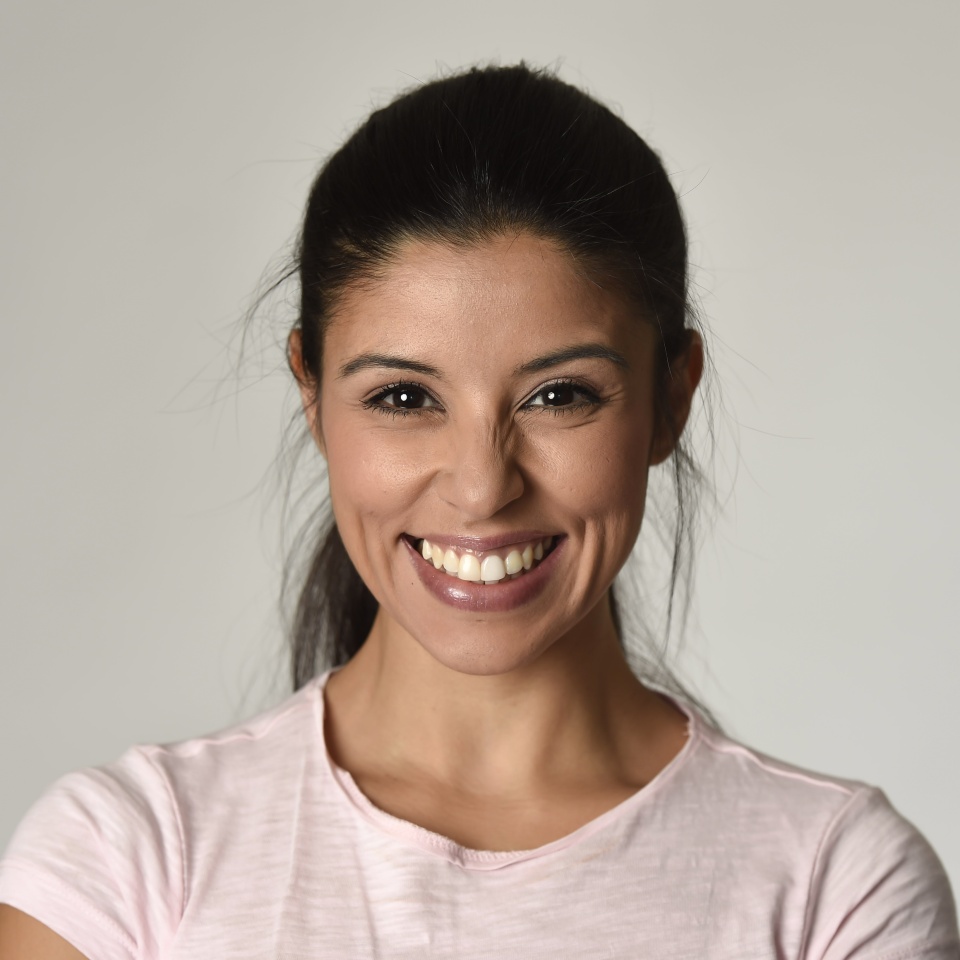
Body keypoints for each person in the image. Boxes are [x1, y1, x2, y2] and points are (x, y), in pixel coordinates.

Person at [0, 63, 956, 959]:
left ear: (673, 397)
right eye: (404, 398)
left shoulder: (837, 886)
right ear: (311, 391)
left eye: (559, 395)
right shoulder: (122, 866)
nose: (481, 487)